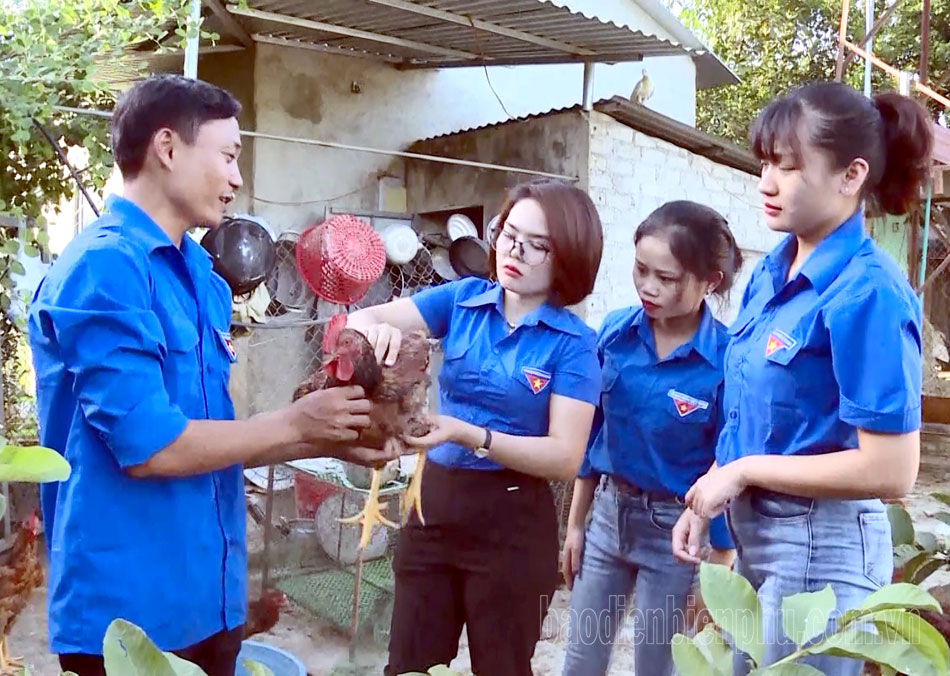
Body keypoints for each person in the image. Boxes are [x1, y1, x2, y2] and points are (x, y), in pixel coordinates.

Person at [27, 75, 395, 676]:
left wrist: (328, 435)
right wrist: (293, 424)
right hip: (129, 620)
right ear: (168, 149)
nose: (237, 178)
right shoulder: (105, 267)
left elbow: (211, 435)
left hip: (207, 599)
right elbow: (150, 447)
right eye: (227, 156)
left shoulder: (199, 272)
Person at [673, 82, 934, 675]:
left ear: (851, 176)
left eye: (788, 167)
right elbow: (751, 415)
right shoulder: (771, 272)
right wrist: (710, 495)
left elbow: (893, 471)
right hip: (760, 536)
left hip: (826, 550)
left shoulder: (869, 292)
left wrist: (742, 472)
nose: (766, 181)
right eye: (764, 162)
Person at [344, 179, 604, 675]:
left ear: (568, 256)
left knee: (501, 666)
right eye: (509, 233)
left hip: (512, 524)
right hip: (432, 508)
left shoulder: (574, 345)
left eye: (538, 245)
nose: (515, 250)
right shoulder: (462, 300)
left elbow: (565, 457)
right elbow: (366, 316)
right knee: (410, 665)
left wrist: (469, 434)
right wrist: (369, 330)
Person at [560, 201, 741, 676]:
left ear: (710, 282)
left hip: (678, 535)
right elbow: (593, 435)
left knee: (657, 666)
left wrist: (719, 565)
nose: (649, 287)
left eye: (668, 278)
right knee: (581, 659)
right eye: (641, 270)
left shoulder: (725, 360)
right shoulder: (614, 334)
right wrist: (575, 525)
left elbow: (728, 462)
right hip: (608, 518)